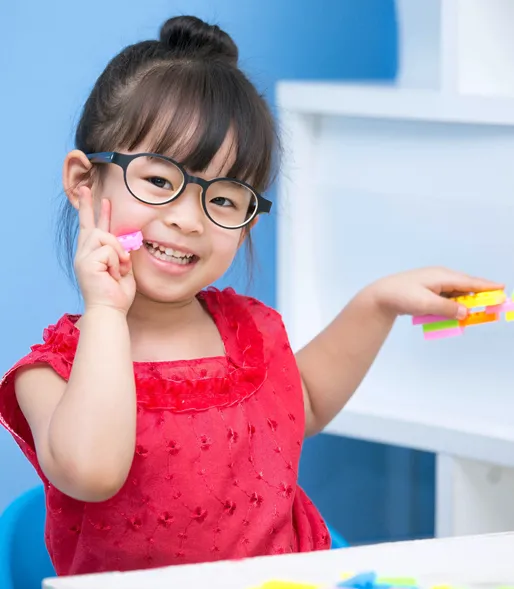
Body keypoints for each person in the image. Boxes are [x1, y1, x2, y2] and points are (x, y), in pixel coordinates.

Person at [0, 14, 501, 578]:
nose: (189, 218)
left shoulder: (250, 329)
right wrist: (108, 311)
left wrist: (378, 303)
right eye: (160, 181)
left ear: (246, 223)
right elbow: (91, 470)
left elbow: (301, 403)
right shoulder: (51, 375)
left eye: (225, 198)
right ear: (84, 183)